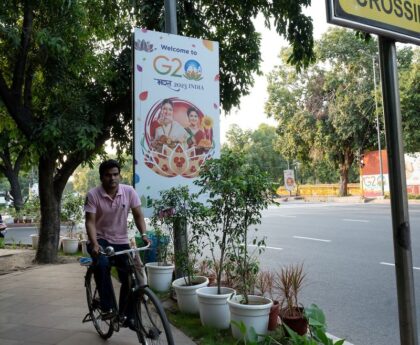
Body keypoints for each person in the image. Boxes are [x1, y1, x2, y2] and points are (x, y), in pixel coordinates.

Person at [84, 159, 150, 329]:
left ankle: (127, 316)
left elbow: (138, 215)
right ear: (101, 177)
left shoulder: (129, 192)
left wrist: (143, 234)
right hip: (99, 239)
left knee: (131, 277)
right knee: (102, 263)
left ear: (119, 175)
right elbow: (90, 222)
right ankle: (107, 307)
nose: (112, 178)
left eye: (115, 174)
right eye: (108, 175)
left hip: (121, 240)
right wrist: (94, 243)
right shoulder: (93, 195)